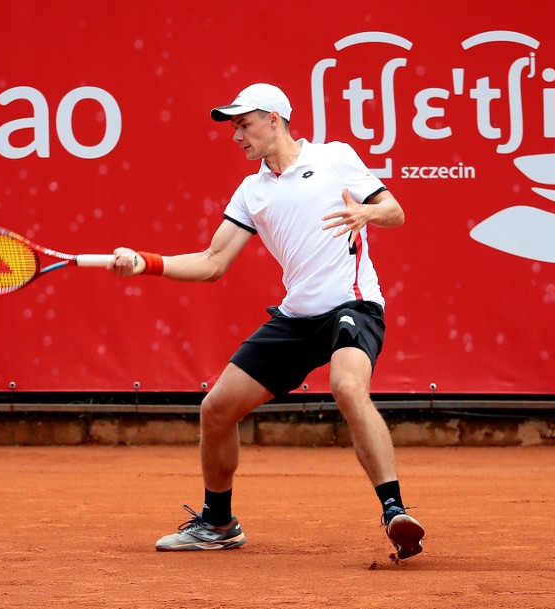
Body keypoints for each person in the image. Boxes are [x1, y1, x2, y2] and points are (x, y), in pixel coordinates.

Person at [110, 83, 425, 560]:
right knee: (216, 409)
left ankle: (394, 511)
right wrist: (145, 263)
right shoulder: (251, 191)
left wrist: (368, 212)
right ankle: (218, 523)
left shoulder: (336, 156)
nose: (237, 134)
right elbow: (213, 261)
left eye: (243, 123)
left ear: (274, 118)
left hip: (351, 305)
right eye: (234, 126)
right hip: (297, 317)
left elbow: (395, 212)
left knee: (346, 385)